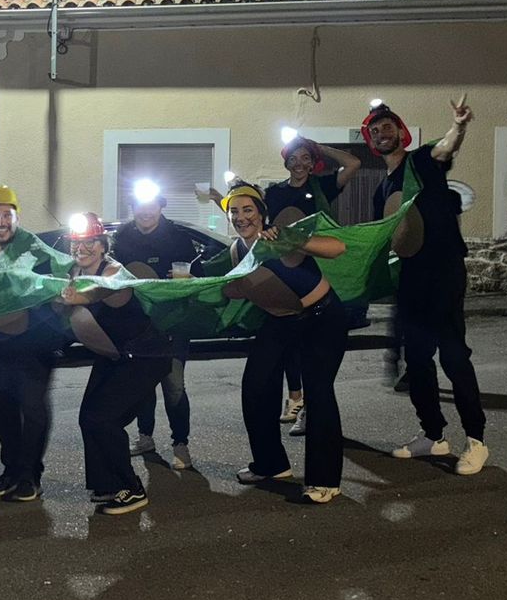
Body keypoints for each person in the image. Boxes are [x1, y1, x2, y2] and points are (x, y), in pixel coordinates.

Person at [201, 180, 351, 503]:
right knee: (256, 386)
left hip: (322, 318)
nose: (241, 217)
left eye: (248, 210)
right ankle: (271, 464)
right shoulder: (236, 250)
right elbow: (246, 287)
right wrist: (219, 289)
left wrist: (294, 239)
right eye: (234, 212)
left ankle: (325, 481)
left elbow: (338, 248)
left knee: (318, 392)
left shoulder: (279, 237)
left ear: (261, 212)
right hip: (282, 320)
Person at [366, 99, 489, 474]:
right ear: (370, 140)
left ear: (400, 132)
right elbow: (387, 240)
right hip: (411, 278)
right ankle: (433, 436)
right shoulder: (381, 190)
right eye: (375, 130)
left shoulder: (420, 161)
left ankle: (476, 440)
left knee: (453, 357)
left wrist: (459, 126)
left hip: (443, 271)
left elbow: (445, 147)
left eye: (387, 127)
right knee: (417, 361)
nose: (382, 133)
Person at [55, 213, 171, 515]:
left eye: (90, 242)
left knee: (103, 418)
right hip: (115, 355)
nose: (82, 248)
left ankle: (131, 489)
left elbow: (106, 287)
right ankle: (106, 484)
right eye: (77, 243)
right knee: (87, 416)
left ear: (103, 245)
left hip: (145, 356)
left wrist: (78, 297)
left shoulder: (114, 271)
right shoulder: (73, 273)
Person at [0, 185, 69, 503]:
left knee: (33, 409)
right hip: (0, 344)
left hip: (37, 343)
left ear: (17, 218)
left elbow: (60, 276)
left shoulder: (34, 249)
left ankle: (30, 475)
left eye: (7, 215)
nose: (1, 221)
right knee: (1, 411)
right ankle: (11, 470)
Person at [264, 136, 362, 438]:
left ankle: (309, 406)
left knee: (315, 343)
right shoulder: (274, 192)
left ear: (313, 163)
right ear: (286, 162)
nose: (299, 163)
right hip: (285, 270)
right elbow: (261, 222)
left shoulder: (322, 186)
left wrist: (320, 147)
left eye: (306, 158)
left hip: (318, 267)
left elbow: (354, 163)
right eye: (294, 158)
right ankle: (296, 399)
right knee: (290, 339)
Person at [109, 184, 200, 470]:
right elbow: (112, 274)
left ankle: (180, 444)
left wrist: (187, 279)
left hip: (172, 321)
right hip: (136, 323)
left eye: (151, 205)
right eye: (140, 205)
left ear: (160, 206)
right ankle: (145, 437)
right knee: (142, 385)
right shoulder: (122, 238)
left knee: (174, 386)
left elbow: (199, 274)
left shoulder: (178, 237)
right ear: (133, 207)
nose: (145, 211)